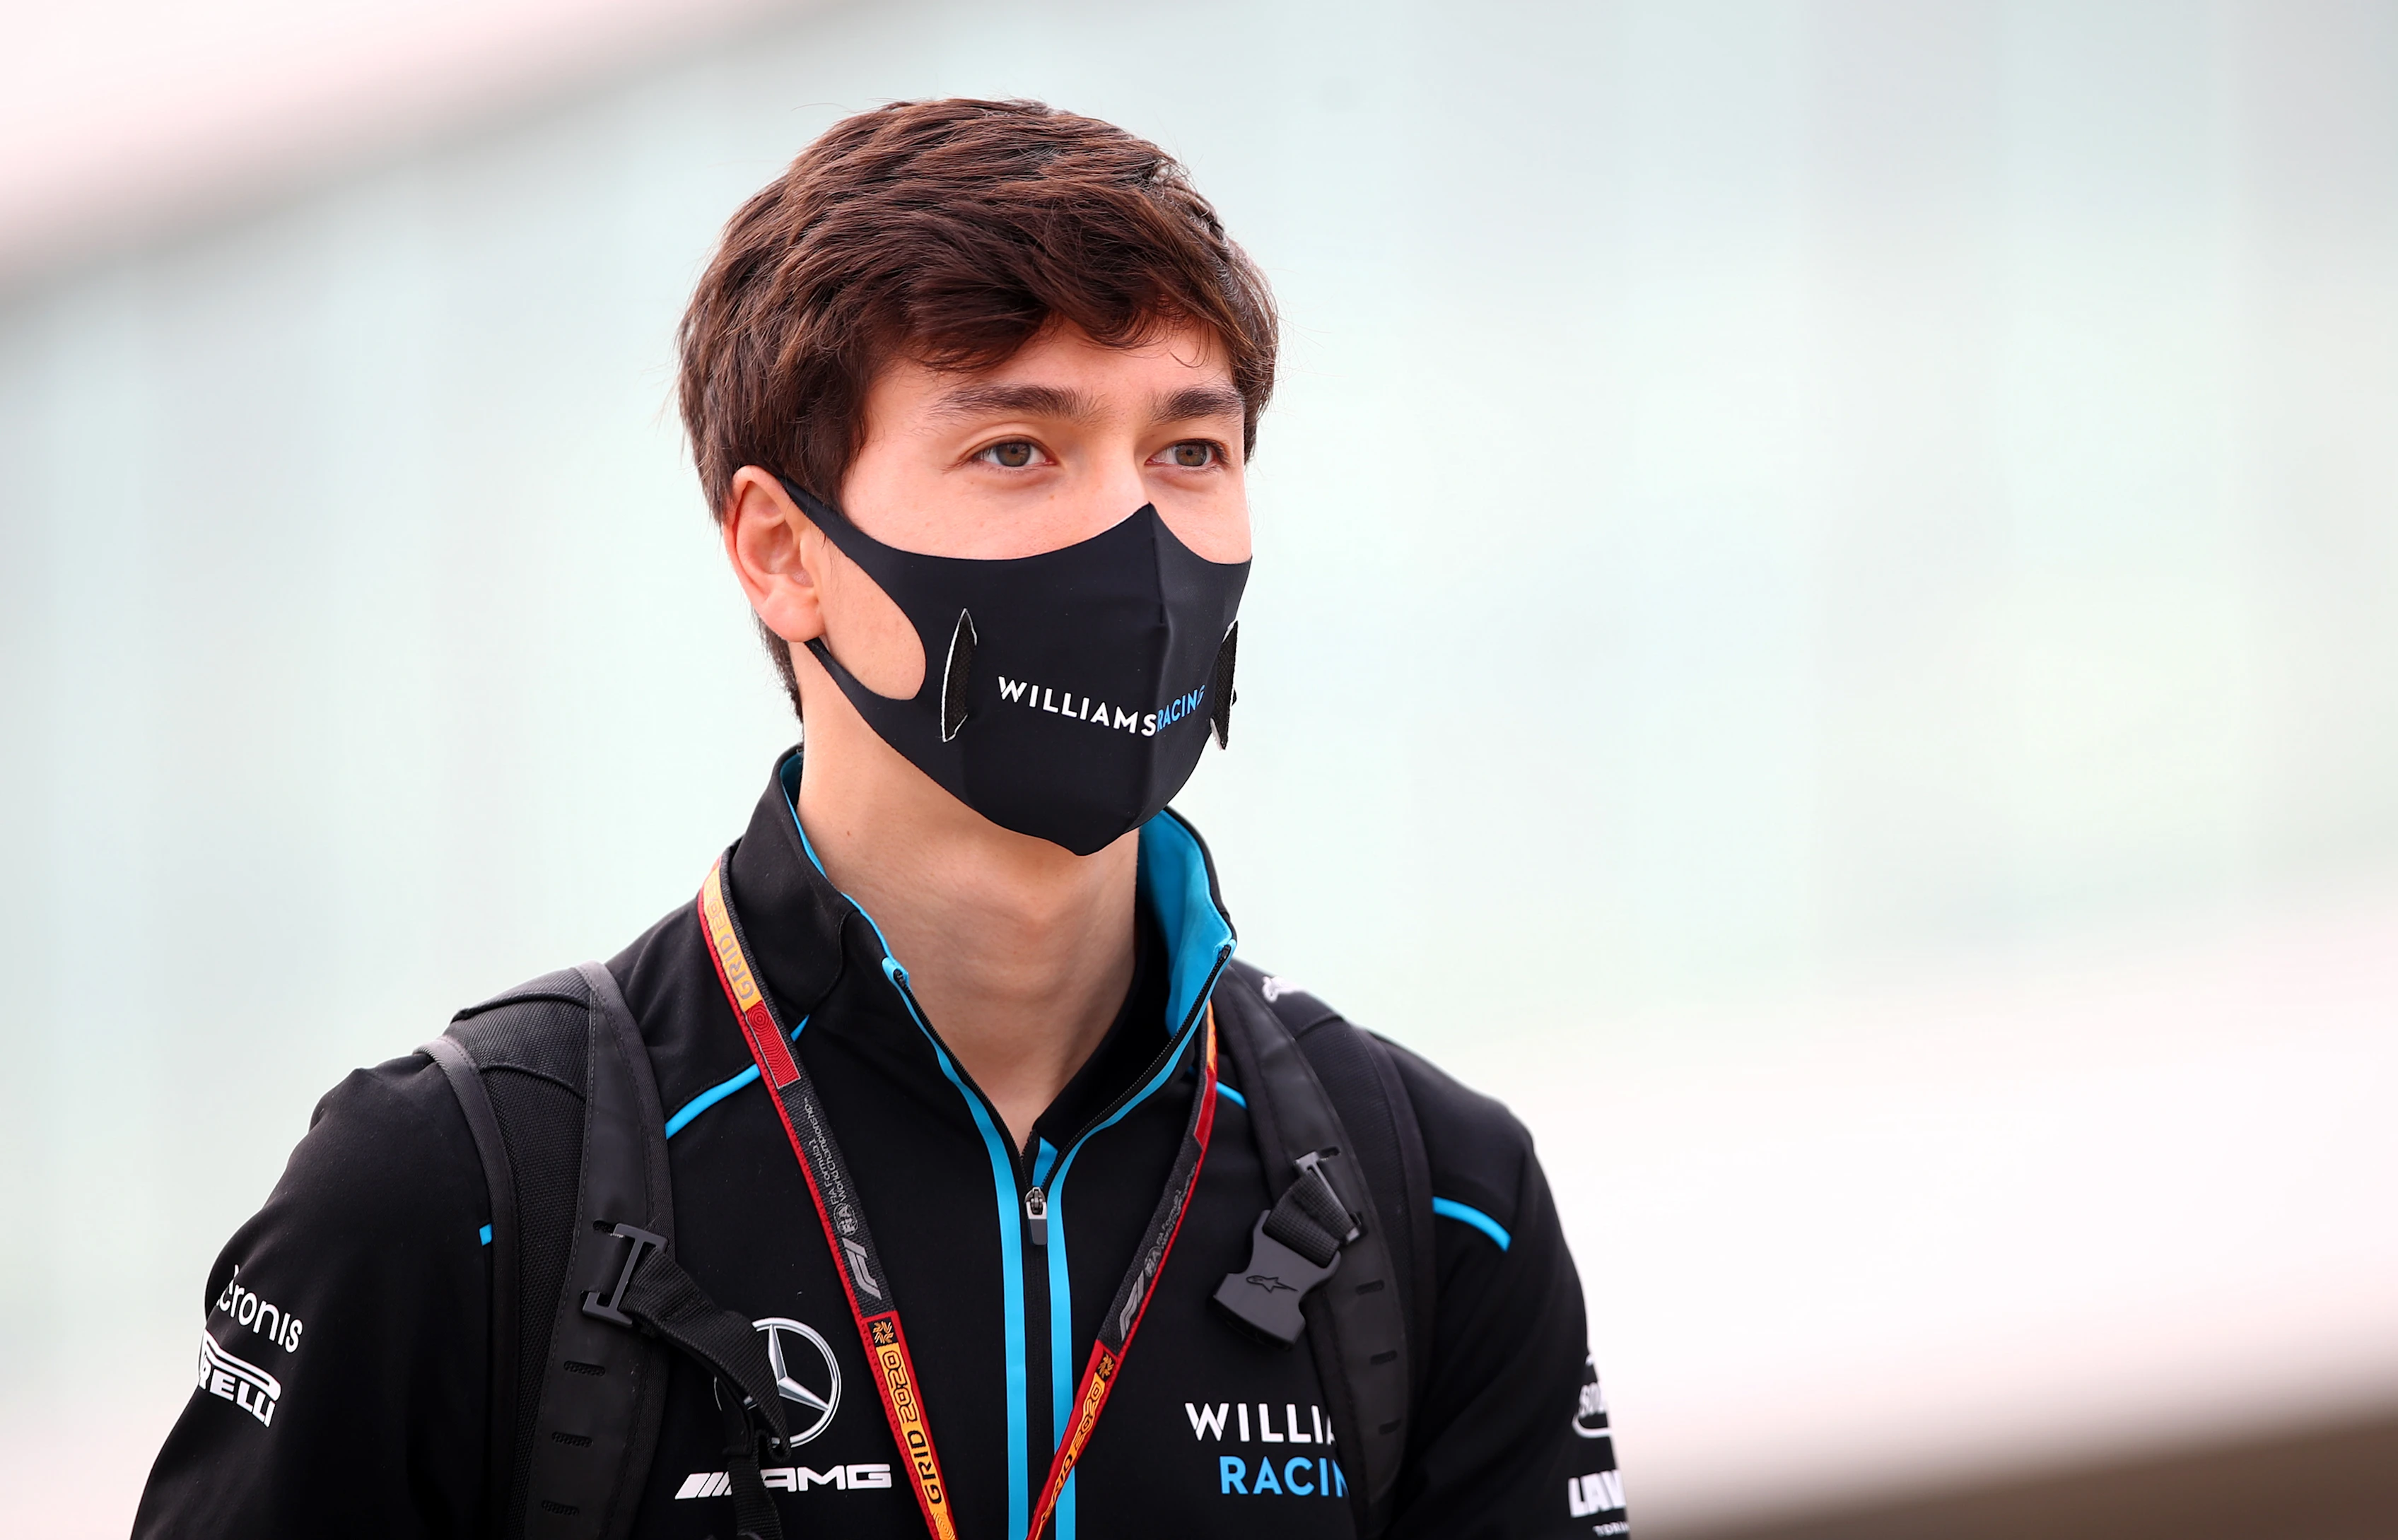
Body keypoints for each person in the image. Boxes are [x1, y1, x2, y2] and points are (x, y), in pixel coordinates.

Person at [134, 98, 1625, 1540]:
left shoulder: (1435, 1203)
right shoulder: (454, 1193)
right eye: (1016, 450)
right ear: (784, 554)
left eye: (1188, 450)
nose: (1136, 534)